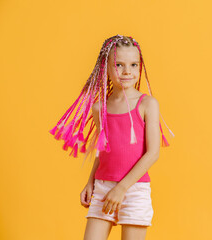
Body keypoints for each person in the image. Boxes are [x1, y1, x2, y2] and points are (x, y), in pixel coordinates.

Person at [49, 35, 174, 240]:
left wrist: (122, 188)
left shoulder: (147, 104)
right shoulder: (100, 108)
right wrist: (90, 182)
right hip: (103, 186)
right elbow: (102, 150)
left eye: (134, 64)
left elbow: (152, 153)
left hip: (134, 189)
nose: (127, 71)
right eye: (119, 65)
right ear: (105, 68)